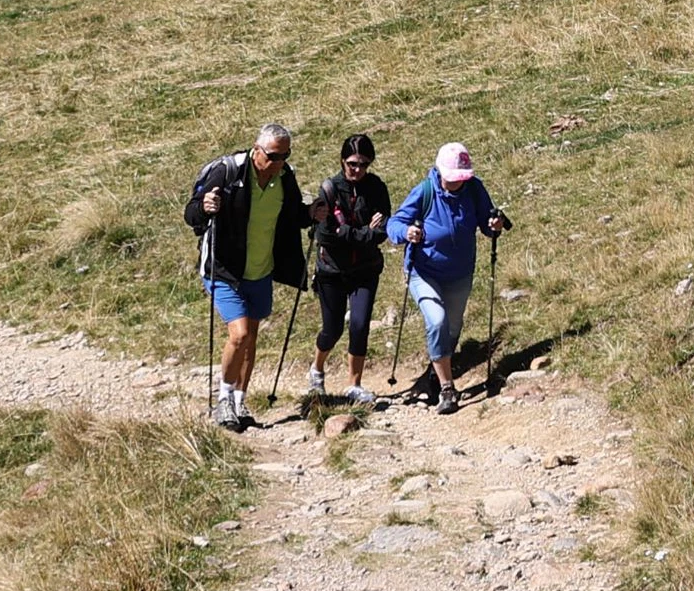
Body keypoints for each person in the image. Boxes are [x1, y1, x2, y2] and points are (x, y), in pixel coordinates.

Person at [182, 124, 306, 430]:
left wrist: (312, 213)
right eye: (274, 155)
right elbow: (192, 213)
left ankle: (239, 401)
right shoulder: (227, 173)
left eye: (285, 155)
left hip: (260, 270)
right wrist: (206, 206)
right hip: (225, 268)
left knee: (251, 337)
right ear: (256, 149)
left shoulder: (284, 177)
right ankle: (223, 400)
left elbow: (293, 215)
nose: (279, 161)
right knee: (238, 335)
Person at [386, 142, 508, 414]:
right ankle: (447, 389)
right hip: (423, 272)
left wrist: (494, 226)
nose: (459, 182)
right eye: (454, 178)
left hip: (460, 272)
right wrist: (407, 232)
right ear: (440, 172)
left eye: (462, 177)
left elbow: (487, 224)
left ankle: (433, 373)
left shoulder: (474, 188)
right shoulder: (425, 192)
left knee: (452, 328)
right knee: (437, 321)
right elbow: (393, 224)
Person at [302, 134, 393, 404]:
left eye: (364, 164)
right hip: (331, 271)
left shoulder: (376, 187)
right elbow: (326, 235)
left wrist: (350, 232)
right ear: (343, 161)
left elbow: (383, 229)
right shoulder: (329, 189)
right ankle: (317, 371)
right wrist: (364, 232)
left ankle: (354, 384)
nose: (358, 170)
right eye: (353, 163)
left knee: (360, 324)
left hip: (365, 269)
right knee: (332, 329)